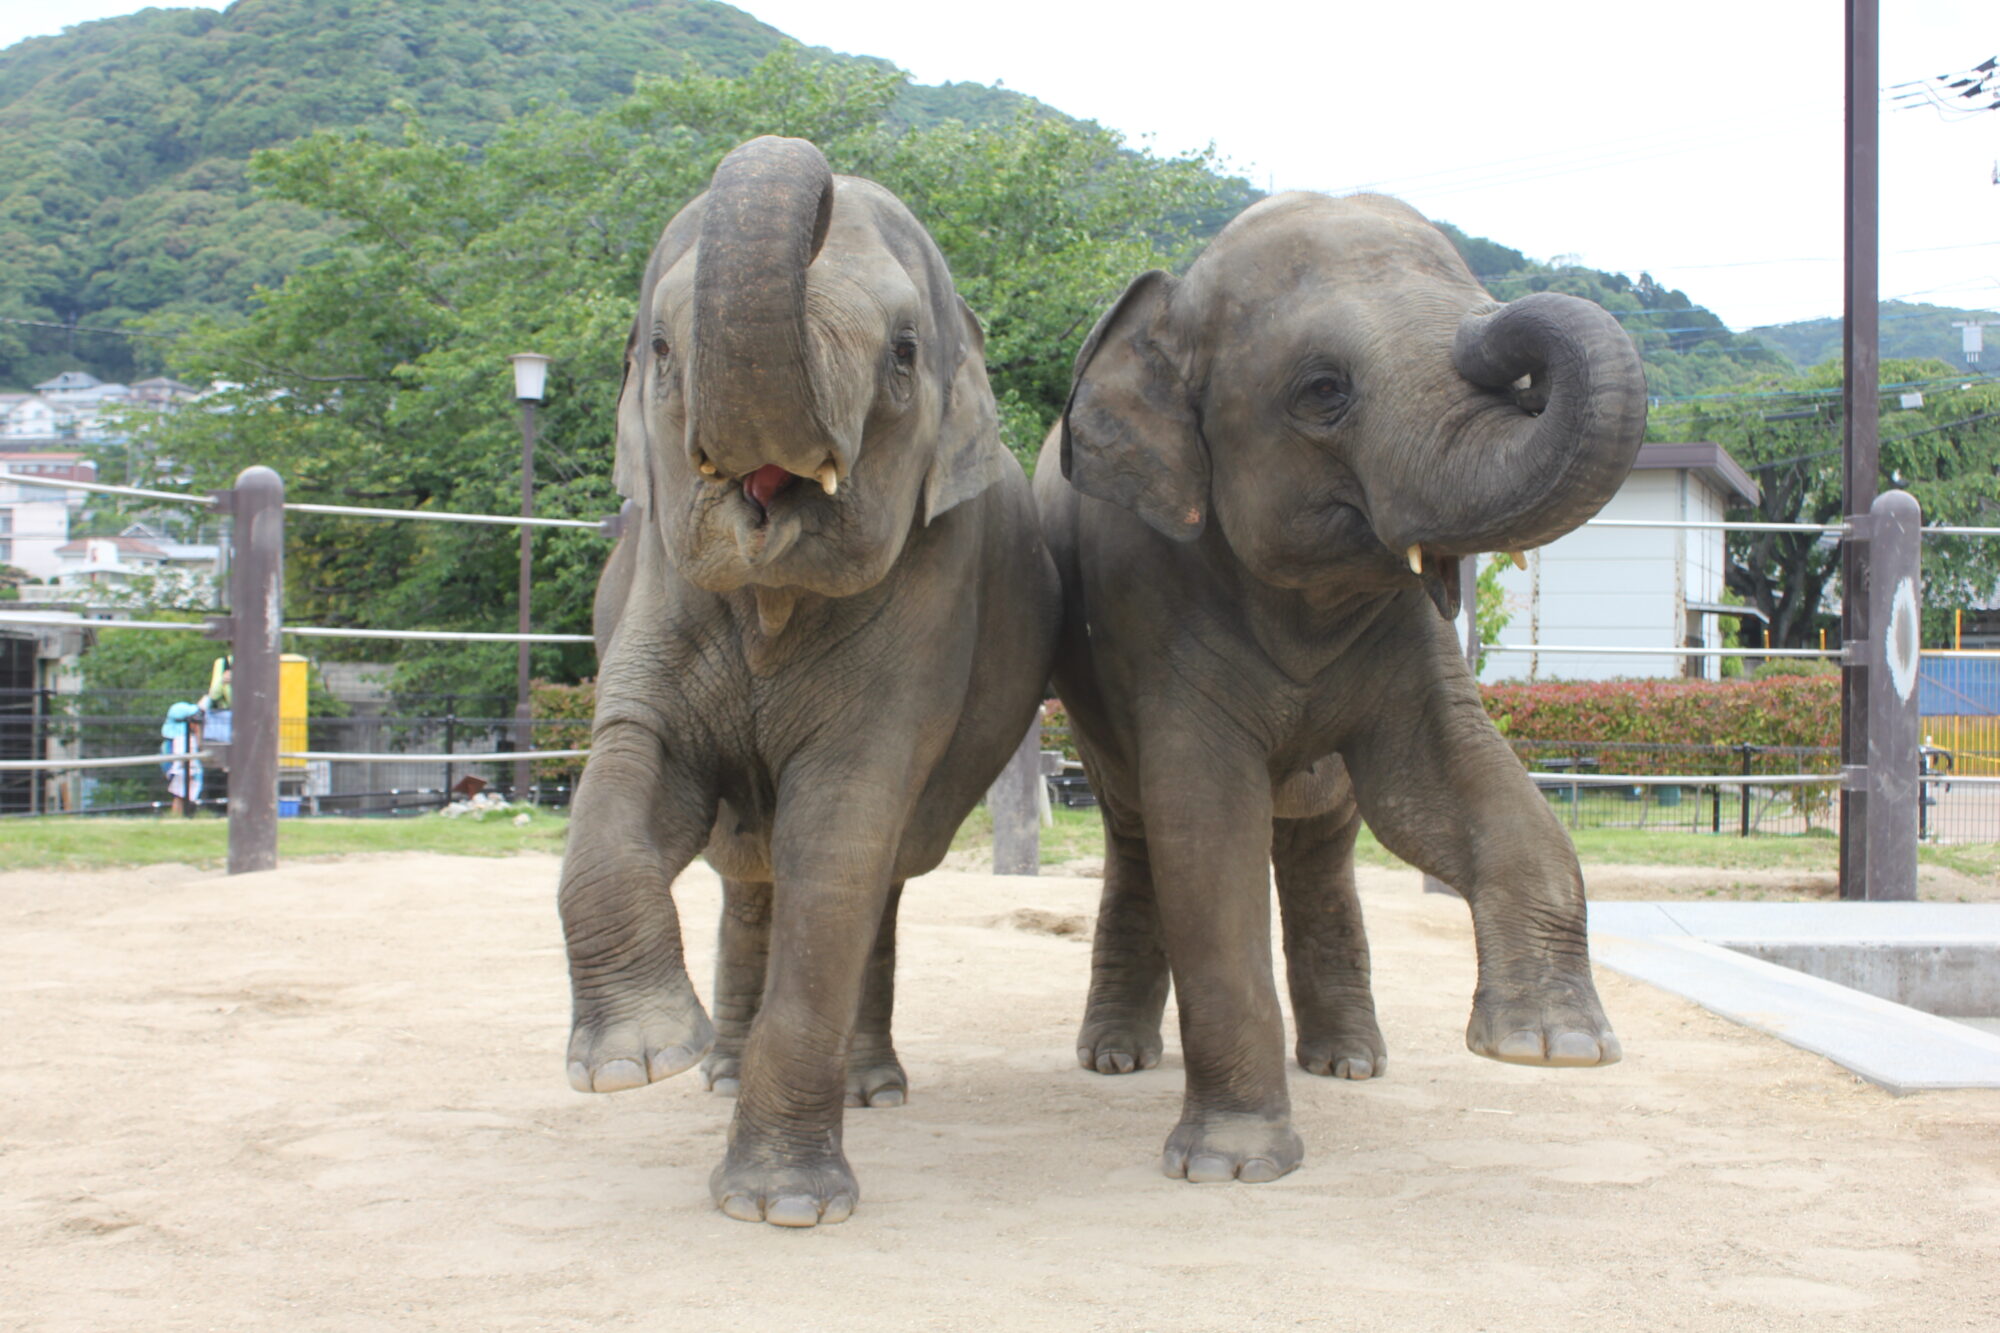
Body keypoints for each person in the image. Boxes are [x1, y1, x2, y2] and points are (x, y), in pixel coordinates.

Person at [160, 701, 205, 816]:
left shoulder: (174, 740)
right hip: (181, 769)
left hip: (180, 767)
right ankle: (179, 815)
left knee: (183, 791)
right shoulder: (181, 740)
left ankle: (182, 816)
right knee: (180, 791)